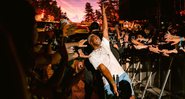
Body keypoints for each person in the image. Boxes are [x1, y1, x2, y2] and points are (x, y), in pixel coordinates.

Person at [87, 4, 135, 99]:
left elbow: (105, 29)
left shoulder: (104, 45)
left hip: (122, 75)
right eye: (93, 37)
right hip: (109, 82)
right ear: (91, 43)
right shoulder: (92, 56)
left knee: (132, 97)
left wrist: (104, 14)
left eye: (96, 36)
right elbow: (103, 68)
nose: (96, 37)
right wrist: (113, 84)